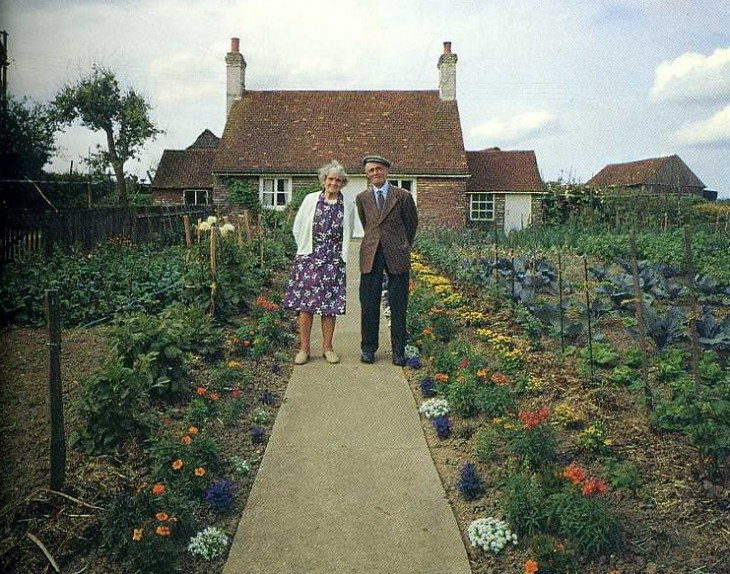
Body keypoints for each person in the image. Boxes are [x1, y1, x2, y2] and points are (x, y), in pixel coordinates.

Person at [283, 160, 356, 365]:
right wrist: (305, 252)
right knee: (305, 306)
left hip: (333, 261)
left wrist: (340, 257)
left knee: (329, 306)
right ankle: (304, 349)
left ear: (343, 183)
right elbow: (298, 228)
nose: (334, 183)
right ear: (324, 180)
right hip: (309, 259)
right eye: (330, 179)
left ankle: (328, 348)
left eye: (338, 180)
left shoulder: (347, 205)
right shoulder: (310, 200)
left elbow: (348, 232)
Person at [356, 155, 418, 366]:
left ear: (387, 171)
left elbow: (411, 225)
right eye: (371, 170)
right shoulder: (362, 198)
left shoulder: (402, 196)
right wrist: (377, 242)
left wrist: (400, 243)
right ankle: (368, 349)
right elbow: (367, 224)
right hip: (371, 254)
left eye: (379, 169)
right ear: (367, 174)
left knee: (399, 304)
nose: (375, 173)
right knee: (369, 302)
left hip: (397, 254)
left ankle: (398, 351)